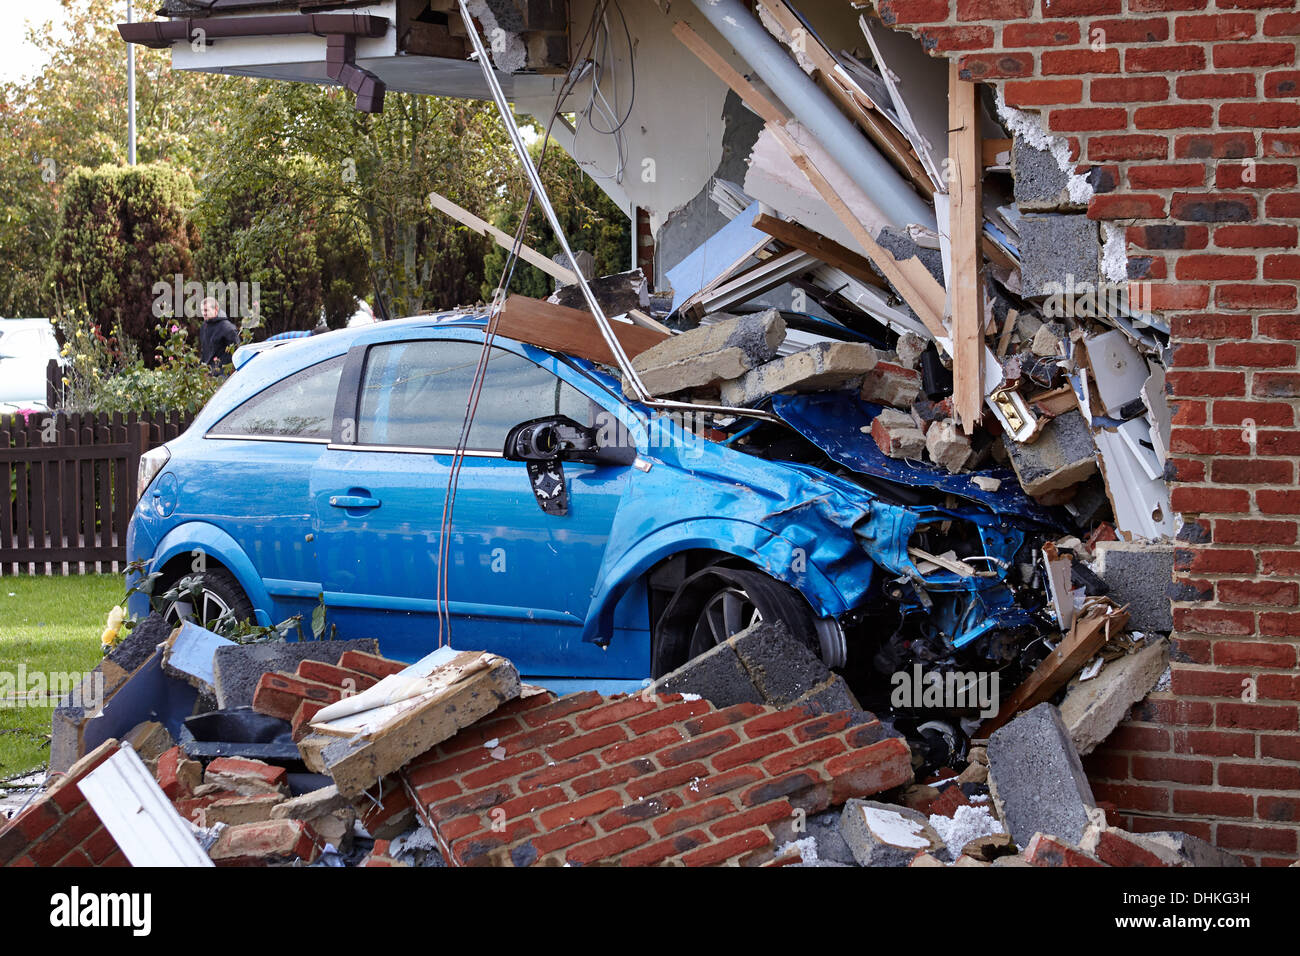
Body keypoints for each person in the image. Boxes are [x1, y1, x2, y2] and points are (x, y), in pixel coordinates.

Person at [199, 298, 238, 372]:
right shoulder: (204, 327)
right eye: (202, 311)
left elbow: (236, 354)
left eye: (206, 310)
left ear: (216, 309)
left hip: (224, 374)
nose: (203, 313)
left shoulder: (228, 328)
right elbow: (204, 352)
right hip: (208, 374)